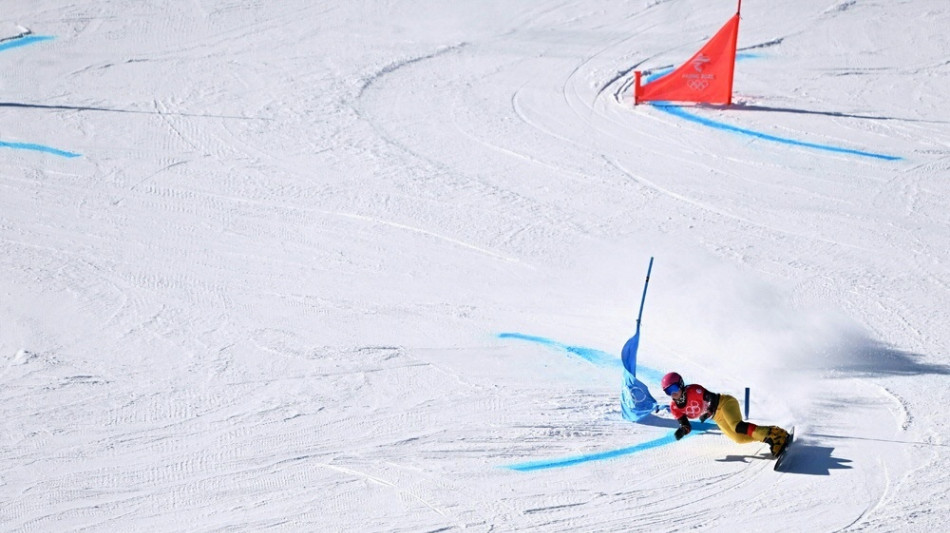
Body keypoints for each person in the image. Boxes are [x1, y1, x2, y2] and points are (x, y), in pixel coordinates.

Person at [660, 371, 790, 457]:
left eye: (674, 388)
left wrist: (709, 411)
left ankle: (773, 436)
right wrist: (683, 430)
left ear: (681, 384)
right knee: (739, 438)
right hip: (717, 416)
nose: (673, 393)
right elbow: (686, 425)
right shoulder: (674, 407)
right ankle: (772, 433)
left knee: (737, 426)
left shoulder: (693, 390)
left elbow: (713, 398)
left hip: (724, 403)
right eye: (668, 391)